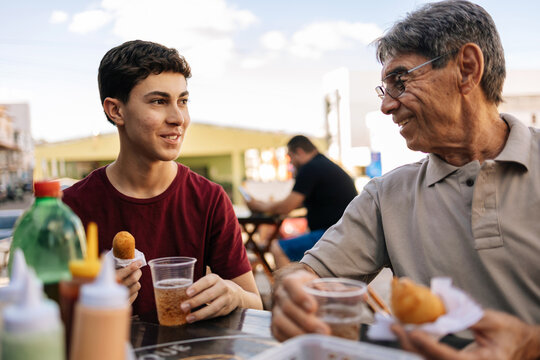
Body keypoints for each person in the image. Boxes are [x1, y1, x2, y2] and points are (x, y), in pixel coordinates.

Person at [270, 1, 540, 359]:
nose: (386, 106)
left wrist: (529, 345)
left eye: (400, 80)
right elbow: (307, 273)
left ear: (467, 69)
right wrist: (294, 292)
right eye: (385, 89)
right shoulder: (387, 195)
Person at [63, 40, 262, 322]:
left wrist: (233, 294)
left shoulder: (210, 199)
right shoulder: (71, 208)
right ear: (115, 111)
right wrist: (91, 301)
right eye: (159, 101)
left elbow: (256, 306)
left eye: (183, 101)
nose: (178, 118)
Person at [246, 135, 357, 268]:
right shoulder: (322, 164)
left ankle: (287, 288)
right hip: (344, 234)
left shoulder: (310, 168)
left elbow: (285, 207)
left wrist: (257, 205)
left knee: (278, 248)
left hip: (333, 236)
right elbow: (295, 203)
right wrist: (265, 205)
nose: (290, 163)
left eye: (290, 157)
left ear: (299, 152)